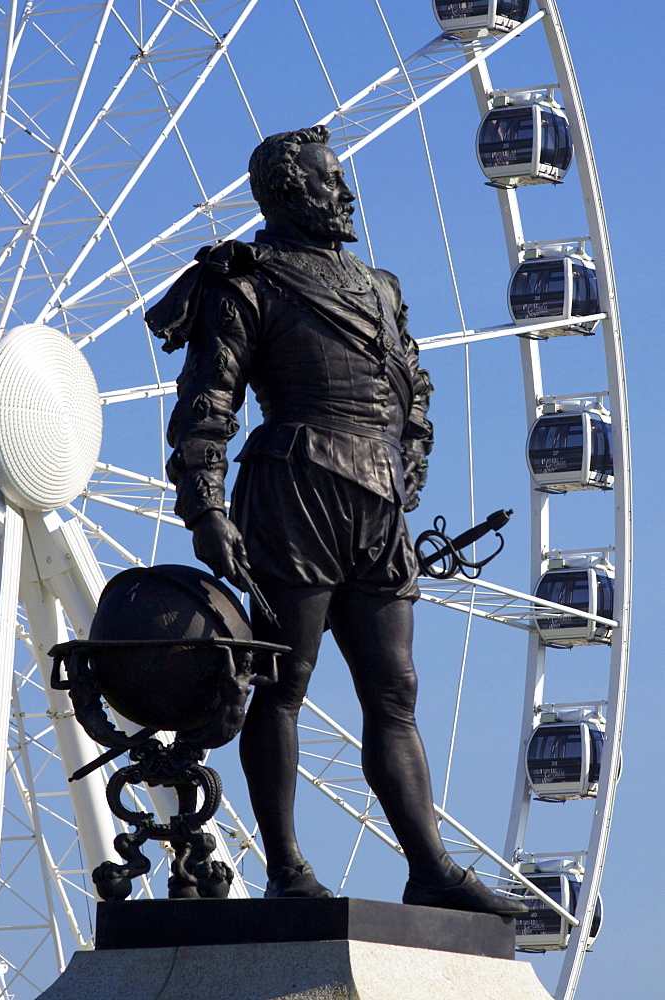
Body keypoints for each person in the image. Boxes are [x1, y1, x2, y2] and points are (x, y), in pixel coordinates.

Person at [145, 126, 526, 916]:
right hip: (295, 489)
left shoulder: (378, 287)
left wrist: (410, 457)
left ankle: (429, 866)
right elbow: (207, 408)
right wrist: (207, 506)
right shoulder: (244, 282)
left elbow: (412, 386)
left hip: (375, 499)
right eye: (331, 181)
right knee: (284, 686)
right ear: (289, 192)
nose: (347, 193)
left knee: (397, 693)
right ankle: (287, 869)